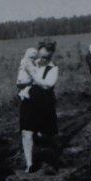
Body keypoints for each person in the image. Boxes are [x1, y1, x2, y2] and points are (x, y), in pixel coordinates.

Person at [20, 45, 59, 173]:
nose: (41, 60)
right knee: (26, 132)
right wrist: (22, 89)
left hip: (45, 104)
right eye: (40, 56)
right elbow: (21, 80)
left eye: (45, 57)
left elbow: (47, 85)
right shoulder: (30, 63)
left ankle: (52, 158)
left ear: (50, 57)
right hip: (29, 102)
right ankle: (29, 164)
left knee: (45, 134)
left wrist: (33, 76)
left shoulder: (53, 69)